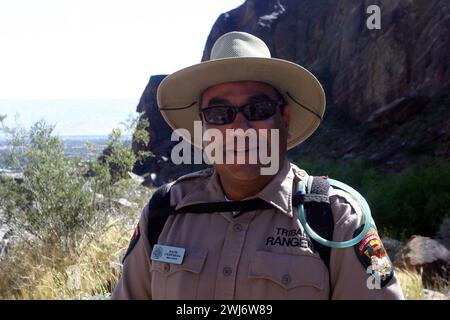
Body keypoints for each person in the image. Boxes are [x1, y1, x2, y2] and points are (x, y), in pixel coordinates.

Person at [111, 31, 404, 300]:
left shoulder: (337, 219)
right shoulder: (163, 212)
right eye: (219, 113)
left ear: (284, 118)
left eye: (258, 109)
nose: (240, 126)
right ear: (203, 127)